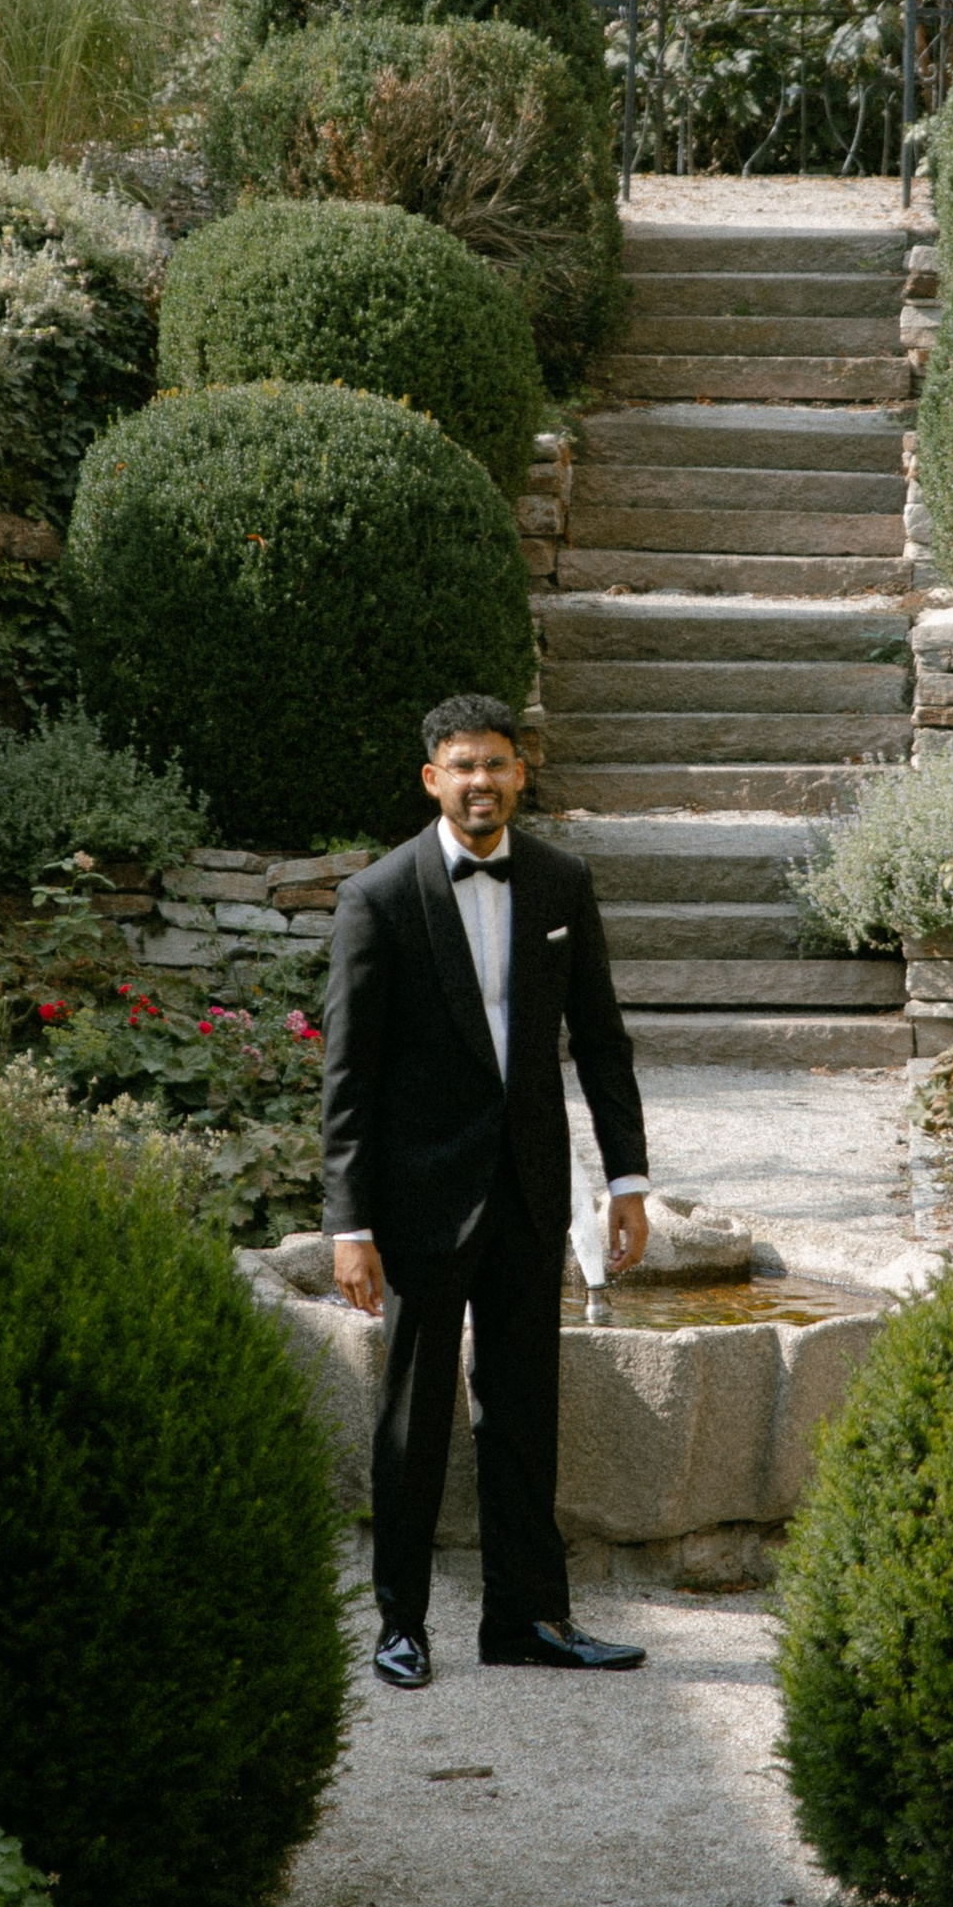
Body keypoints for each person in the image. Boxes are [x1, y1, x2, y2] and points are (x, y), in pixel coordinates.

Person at [322, 693, 652, 1690]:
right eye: (461, 766)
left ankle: (527, 1619)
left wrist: (627, 1179)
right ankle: (401, 1625)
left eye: (496, 765)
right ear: (433, 779)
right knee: (414, 1422)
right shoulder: (378, 897)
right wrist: (350, 1223)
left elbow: (599, 1038)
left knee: (523, 1410)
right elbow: (349, 1078)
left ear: (520, 774)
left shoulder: (560, 880)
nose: (481, 782)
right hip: (419, 1199)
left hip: (527, 1191)